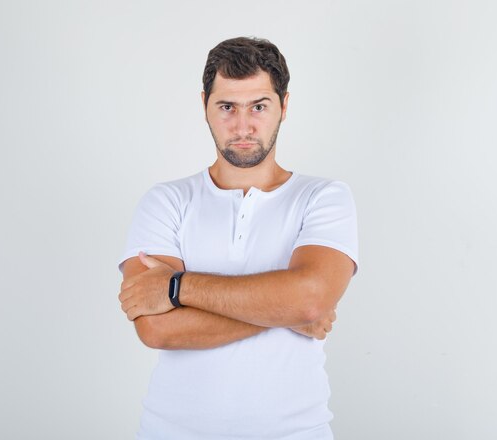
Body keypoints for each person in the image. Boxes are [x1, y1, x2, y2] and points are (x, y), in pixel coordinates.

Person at [117, 36, 358, 440]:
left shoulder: (324, 197)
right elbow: (156, 329)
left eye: (259, 106)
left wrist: (176, 287)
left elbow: (311, 299)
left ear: (284, 106)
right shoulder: (166, 201)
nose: (243, 125)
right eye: (227, 106)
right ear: (205, 107)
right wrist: (287, 312)